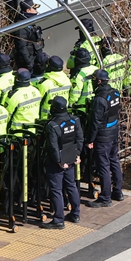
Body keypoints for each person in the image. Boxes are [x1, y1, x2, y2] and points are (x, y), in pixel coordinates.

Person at [42, 96, 82, 229]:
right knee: (71, 185)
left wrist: (59, 161)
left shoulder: (52, 125)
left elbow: (53, 146)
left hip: (57, 162)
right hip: (71, 157)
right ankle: (75, 214)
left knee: (56, 190)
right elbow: (80, 138)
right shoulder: (75, 120)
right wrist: (77, 155)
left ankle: (59, 219)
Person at [84, 70, 122, 208]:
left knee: (104, 166)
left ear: (99, 81)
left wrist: (89, 140)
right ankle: (118, 192)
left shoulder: (99, 99)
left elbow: (95, 122)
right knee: (114, 160)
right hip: (114, 131)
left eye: (94, 80)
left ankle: (105, 197)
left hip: (103, 136)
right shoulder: (115, 92)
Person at [36, 56, 72, 120]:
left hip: (46, 118)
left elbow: (38, 103)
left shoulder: (45, 84)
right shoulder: (67, 80)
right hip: (63, 115)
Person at [13, 0, 44, 72]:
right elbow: (22, 47)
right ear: (28, 11)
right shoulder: (21, 26)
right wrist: (29, 63)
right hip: (28, 63)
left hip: (36, 58)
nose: (36, 11)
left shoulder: (30, 23)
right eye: (34, 9)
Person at [68, 48, 99, 115]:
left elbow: (74, 95)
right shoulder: (96, 69)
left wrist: (70, 108)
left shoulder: (79, 75)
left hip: (82, 109)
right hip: (96, 104)